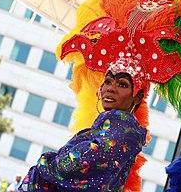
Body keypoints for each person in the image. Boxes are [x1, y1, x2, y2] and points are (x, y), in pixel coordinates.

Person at [19, 57, 149, 191]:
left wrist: (45, 163)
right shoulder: (110, 129)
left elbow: (77, 164)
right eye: (108, 82)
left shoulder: (123, 134)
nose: (111, 89)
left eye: (122, 84)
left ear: (137, 97)